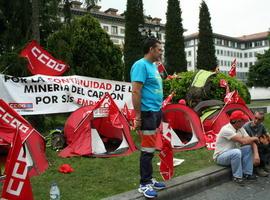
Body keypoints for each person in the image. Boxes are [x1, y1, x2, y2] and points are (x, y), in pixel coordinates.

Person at [130, 37, 165, 198]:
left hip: (156, 112)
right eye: (159, 49)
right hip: (147, 112)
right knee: (147, 150)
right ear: (151, 49)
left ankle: (149, 179)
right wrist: (138, 116)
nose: (161, 52)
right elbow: (136, 91)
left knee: (151, 149)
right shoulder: (140, 65)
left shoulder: (153, 67)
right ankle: (144, 184)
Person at [213, 110, 260, 186]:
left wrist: (256, 154)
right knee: (236, 152)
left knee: (247, 148)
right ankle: (237, 177)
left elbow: (249, 141)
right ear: (237, 121)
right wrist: (254, 138)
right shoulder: (226, 129)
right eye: (243, 120)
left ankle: (247, 173)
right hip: (220, 157)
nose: (245, 122)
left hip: (233, 153)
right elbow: (243, 141)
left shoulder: (240, 128)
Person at [243, 111, 270, 177]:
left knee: (267, 145)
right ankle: (257, 168)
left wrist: (268, 139)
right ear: (253, 116)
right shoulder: (246, 126)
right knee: (261, 147)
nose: (256, 120)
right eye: (255, 118)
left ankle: (264, 164)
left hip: (258, 143)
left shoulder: (261, 126)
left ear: (262, 120)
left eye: (259, 119)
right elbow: (246, 140)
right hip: (249, 144)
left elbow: (266, 134)